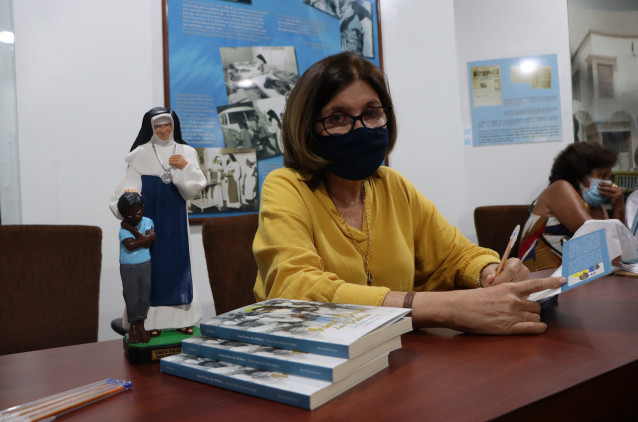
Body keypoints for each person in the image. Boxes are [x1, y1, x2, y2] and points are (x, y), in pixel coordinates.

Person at [253, 52, 565, 336]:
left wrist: (491, 273)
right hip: (314, 360)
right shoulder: (286, 185)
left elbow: (455, 255)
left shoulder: (392, 185)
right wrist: (450, 308)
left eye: (372, 112)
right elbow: (295, 289)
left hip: (394, 353)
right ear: (307, 128)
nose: (360, 128)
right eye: (338, 118)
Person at [110, 107, 206, 336]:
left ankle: (183, 318)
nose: (164, 130)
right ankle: (150, 322)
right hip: (148, 220)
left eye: (167, 125)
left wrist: (184, 167)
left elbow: (195, 188)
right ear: (151, 129)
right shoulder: (141, 153)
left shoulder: (186, 151)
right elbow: (127, 188)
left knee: (179, 268)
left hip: (176, 222)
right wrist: (127, 200)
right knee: (152, 270)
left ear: (174, 126)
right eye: (158, 126)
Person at [518, 142, 625, 272]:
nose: (608, 183)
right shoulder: (560, 189)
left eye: (609, 177)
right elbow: (595, 241)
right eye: (602, 176)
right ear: (579, 176)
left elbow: (618, 248)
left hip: (575, 280)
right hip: (540, 279)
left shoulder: (596, 205)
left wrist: (619, 207)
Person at [117, 192, 155, 344]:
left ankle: (142, 327)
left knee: (144, 297)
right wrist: (145, 236)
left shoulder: (148, 221)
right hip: (128, 266)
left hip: (145, 263)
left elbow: (147, 244)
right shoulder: (123, 230)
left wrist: (134, 232)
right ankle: (134, 327)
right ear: (124, 216)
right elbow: (130, 245)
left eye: (138, 212)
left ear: (143, 209)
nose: (135, 217)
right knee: (132, 296)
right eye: (129, 215)